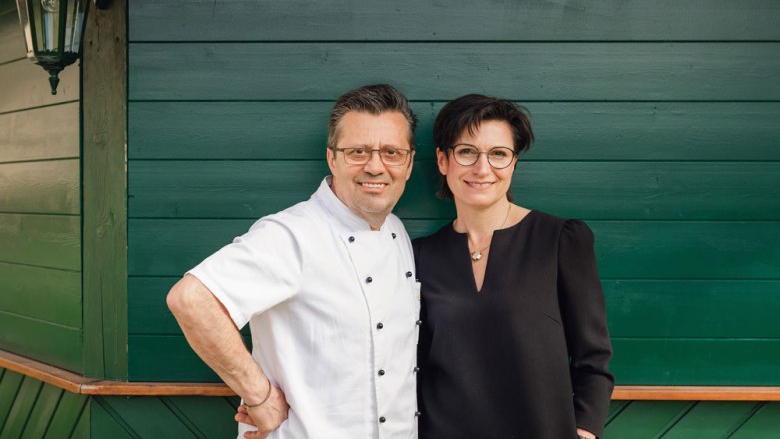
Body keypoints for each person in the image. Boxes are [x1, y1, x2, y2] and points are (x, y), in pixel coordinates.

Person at [166, 84, 421, 439]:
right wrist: (260, 396)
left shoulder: (396, 231)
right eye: (358, 151)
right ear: (332, 158)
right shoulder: (292, 235)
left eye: (392, 152)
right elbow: (191, 300)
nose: (375, 166)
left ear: (408, 163)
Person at [413, 94, 614, 439]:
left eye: (498, 155)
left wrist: (585, 429)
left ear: (513, 163)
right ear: (443, 160)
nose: (482, 168)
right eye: (466, 152)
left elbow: (593, 355)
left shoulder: (560, 240)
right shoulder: (417, 256)